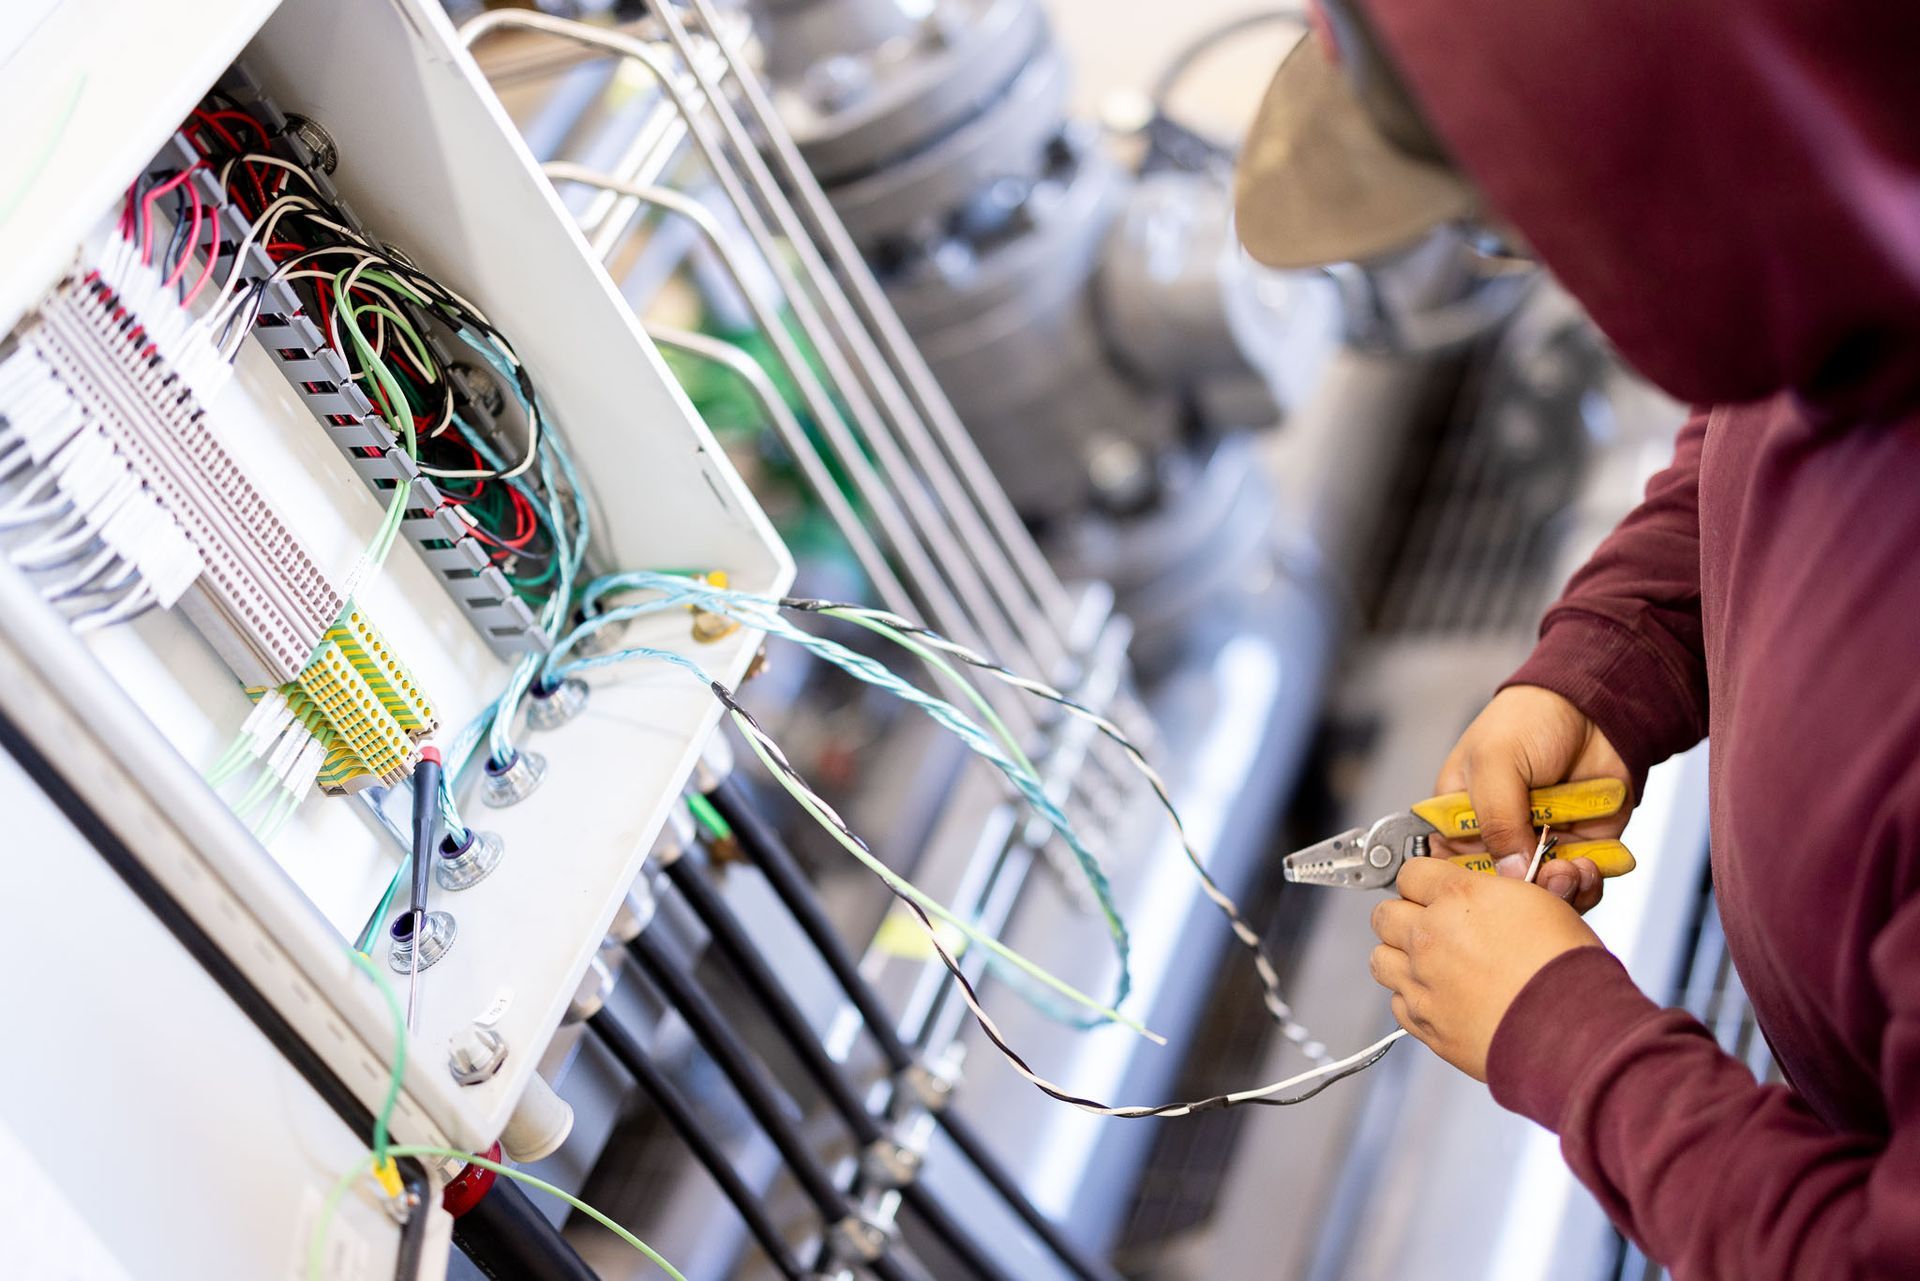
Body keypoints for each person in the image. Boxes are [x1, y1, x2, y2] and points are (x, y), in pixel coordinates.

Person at [1234, 1, 1920, 1275]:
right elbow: (1762, 411)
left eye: (1527, 226)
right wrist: (1618, 653)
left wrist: (1573, 1044)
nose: (1544, 267)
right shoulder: (1853, 216)